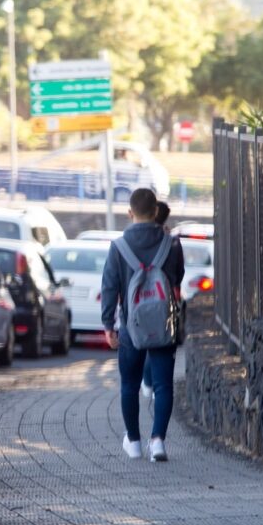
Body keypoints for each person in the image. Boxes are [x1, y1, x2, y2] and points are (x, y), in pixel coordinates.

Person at [100, 189, 184, 462]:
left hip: (130, 326)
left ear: (129, 213)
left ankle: (133, 441)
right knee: (163, 385)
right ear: (156, 212)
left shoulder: (118, 247)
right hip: (163, 324)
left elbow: (110, 287)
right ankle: (158, 441)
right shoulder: (171, 244)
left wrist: (108, 325)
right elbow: (177, 277)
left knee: (130, 384)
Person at [140, 200, 171, 399]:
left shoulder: (133, 239)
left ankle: (147, 381)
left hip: (138, 302)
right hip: (162, 302)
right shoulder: (169, 242)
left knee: (147, 346)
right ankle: (153, 384)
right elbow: (178, 273)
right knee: (158, 346)